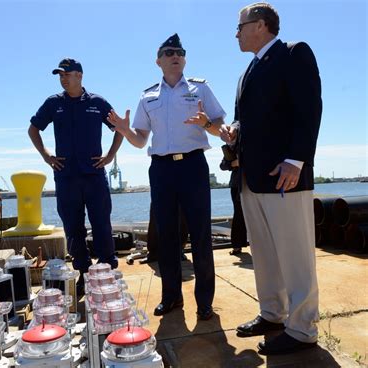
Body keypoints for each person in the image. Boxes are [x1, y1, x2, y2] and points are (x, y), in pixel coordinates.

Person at [220, 3, 322, 355]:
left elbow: (309, 109)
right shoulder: (247, 71)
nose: (236, 34)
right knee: (263, 253)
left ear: (260, 25)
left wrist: (296, 160)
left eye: (239, 27)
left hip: (285, 176)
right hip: (252, 177)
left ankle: (303, 328)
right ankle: (273, 314)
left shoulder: (294, 54)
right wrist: (233, 132)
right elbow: (245, 120)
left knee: (295, 256)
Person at [108, 34, 226, 321]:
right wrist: (124, 130)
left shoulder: (201, 89)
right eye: (169, 52)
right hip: (162, 170)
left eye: (180, 52)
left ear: (184, 59)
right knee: (167, 237)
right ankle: (171, 297)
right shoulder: (148, 96)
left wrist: (206, 123)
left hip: (193, 166)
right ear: (158, 61)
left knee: (200, 235)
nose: (176, 55)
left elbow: (219, 126)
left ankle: (204, 302)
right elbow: (140, 139)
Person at [28, 58, 123, 293]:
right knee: (73, 228)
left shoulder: (97, 102)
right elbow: (33, 129)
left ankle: (107, 271)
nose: (63, 78)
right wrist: (46, 156)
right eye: (60, 75)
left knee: (101, 223)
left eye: (67, 74)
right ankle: (82, 272)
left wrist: (110, 155)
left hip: (94, 176)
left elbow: (119, 128)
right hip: (66, 177)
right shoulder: (53, 104)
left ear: (79, 75)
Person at [219, 144, 248, 255]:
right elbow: (222, 165)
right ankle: (237, 246)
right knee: (238, 214)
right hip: (237, 184)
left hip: (255, 183)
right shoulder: (233, 147)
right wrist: (233, 163)